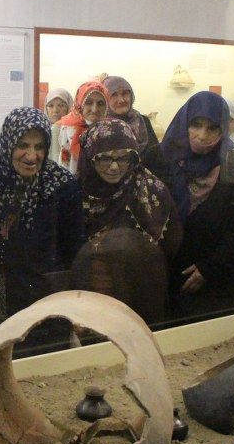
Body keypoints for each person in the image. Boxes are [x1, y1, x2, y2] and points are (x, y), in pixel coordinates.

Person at [0, 106, 84, 351]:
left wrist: (75, 308)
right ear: (8, 143)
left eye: (39, 147)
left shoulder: (61, 187)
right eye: (23, 145)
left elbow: (74, 251)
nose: (31, 155)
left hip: (41, 313)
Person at [73, 117, 180, 323]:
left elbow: (171, 245)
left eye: (122, 158)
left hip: (141, 294)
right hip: (91, 297)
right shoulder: (75, 194)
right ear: (90, 157)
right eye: (105, 158)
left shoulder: (152, 190)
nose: (114, 167)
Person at [160, 91, 234, 322]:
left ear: (224, 130)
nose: (202, 135)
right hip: (162, 277)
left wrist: (210, 269)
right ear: (185, 122)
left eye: (212, 128)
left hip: (211, 286)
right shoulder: (160, 159)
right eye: (196, 125)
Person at [56, 80, 109, 175]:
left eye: (100, 104)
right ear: (79, 104)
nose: (94, 109)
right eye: (88, 102)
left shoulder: (110, 130)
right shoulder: (66, 129)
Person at [102, 76, 159, 152]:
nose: (121, 100)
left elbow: (155, 155)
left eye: (125, 93)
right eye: (114, 95)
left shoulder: (143, 121)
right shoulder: (100, 126)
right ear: (105, 99)